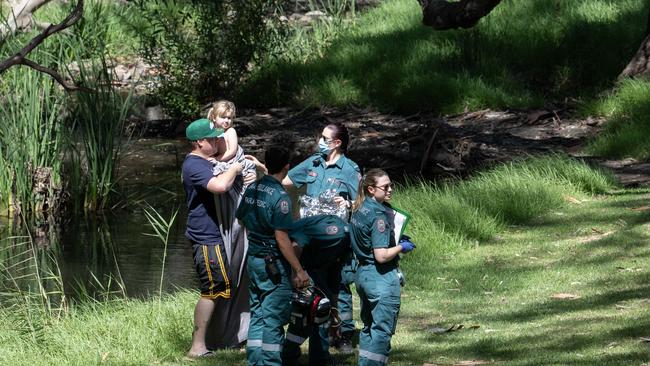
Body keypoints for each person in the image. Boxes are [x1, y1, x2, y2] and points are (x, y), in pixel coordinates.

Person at [282, 122, 361, 353]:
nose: (320, 141)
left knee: (340, 284)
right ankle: (314, 333)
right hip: (310, 236)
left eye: (325, 138)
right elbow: (286, 181)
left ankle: (344, 334)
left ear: (337, 143)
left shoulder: (350, 168)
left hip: (335, 238)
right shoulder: (314, 162)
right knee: (314, 285)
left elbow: (360, 201)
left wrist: (347, 203)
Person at [236, 146, 310, 366]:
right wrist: (298, 269)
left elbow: (241, 220)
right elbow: (282, 239)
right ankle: (270, 362)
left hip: (254, 260)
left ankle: (255, 361)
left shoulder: (253, 188)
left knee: (257, 313)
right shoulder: (281, 198)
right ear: (287, 167)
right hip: (273, 265)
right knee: (274, 320)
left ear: (266, 164)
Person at [181, 118, 248, 358]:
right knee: (212, 289)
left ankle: (220, 337)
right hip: (206, 236)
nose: (219, 140)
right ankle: (197, 347)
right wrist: (235, 168)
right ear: (199, 142)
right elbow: (219, 186)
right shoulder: (194, 165)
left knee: (220, 286)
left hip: (215, 234)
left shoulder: (206, 161)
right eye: (213, 138)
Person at [349, 169, 415, 366]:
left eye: (390, 185)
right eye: (385, 187)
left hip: (362, 276)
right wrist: (402, 247)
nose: (390, 190)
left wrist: (393, 239)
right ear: (371, 189)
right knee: (382, 332)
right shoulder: (378, 216)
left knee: (369, 327)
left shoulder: (359, 209)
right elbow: (381, 255)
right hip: (381, 278)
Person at [282, 215, 351, 366]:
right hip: (293, 263)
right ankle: (290, 356)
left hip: (311, 268)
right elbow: (295, 245)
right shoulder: (337, 233)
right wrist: (296, 273)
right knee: (309, 311)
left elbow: (333, 284)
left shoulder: (345, 247)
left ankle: (314, 358)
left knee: (320, 309)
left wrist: (335, 319)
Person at [207, 100, 256, 179]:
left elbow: (232, 151)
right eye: (223, 117)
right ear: (214, 118)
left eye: (229, 118)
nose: (227, 121)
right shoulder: (211, 130)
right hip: (222, 160)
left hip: (232, 161)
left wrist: (217, 159)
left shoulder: (230, 131)